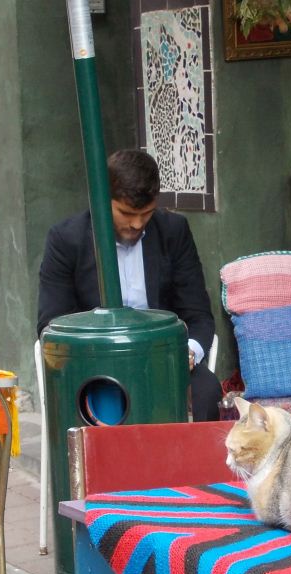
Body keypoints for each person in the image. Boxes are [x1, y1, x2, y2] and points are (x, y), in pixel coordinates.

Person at [37, 149, 222, 421]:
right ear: (102, 201)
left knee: (206, 393)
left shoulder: (174, 232)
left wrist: (188, 352)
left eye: (146, 213)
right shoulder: (66, 239)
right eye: (126, 213)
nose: (136, 224)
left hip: (164, 361)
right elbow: (50, 323)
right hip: (94, 366)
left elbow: (198, 314)